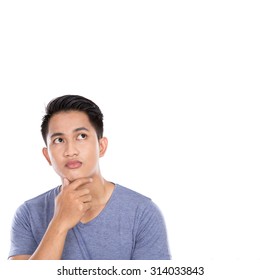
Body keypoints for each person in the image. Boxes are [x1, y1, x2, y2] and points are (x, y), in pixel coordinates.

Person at [8, 94, 171, 260]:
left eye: (81, 136)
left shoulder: (143, 212)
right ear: (47, 155)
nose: (70, 151)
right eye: (59, 140)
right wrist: (59, 223)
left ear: (101, 146)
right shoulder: (28, 214)